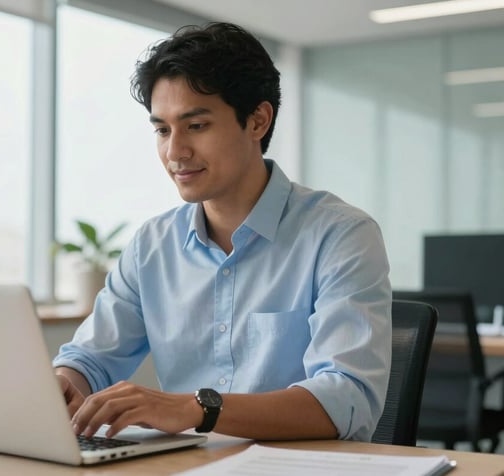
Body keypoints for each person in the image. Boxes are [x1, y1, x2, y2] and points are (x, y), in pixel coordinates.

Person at [53, 22, 391, 442]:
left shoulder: (341, 235)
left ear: (257, 121)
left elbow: (346, 400)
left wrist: (193, 409)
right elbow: (91, 358)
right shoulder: (151, 246)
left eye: (196, 126)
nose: (175, 152)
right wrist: (65, 382)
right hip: (184, 466)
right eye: (162, 129)